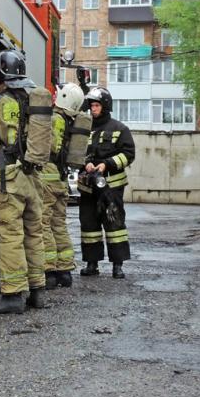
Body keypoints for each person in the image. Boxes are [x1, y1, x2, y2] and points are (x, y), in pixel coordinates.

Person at [0, 50, 48, 313]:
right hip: (33, 178)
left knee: (11, 235)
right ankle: (37, 292)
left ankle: (12, 296)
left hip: (10, 179)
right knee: (34, 234)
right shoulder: (33, 100)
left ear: (1, 75)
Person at [78, 87, 135, 279]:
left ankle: (117, 265)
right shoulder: (84, 129)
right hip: (88, 188)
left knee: (114, 224)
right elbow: (75, 152)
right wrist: (84, 164)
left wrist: (106, 164)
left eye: (96, 105)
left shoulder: (120, 129)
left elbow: (129, 154)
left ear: (105, 106)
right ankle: (91, 264)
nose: (93, 109)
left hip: (111, 188)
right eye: (91, 106)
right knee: (89, 226)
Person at [41, 82, 84, 289]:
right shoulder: (71, 121)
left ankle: (49, 270)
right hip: (60, 178)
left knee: (43, 223)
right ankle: (65, 271)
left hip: (48, 176)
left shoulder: (54, 119)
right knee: (59, 224)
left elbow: (48, 147)